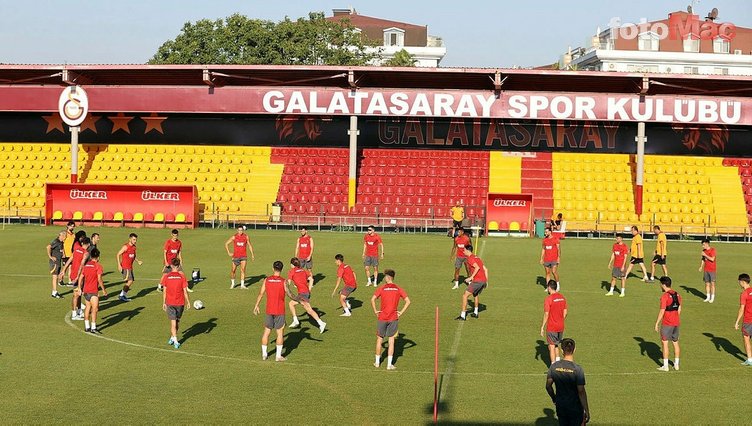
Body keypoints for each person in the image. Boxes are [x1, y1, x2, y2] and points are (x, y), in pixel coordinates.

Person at [371, 269, 411, 370]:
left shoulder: (382, 288)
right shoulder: (398, 289)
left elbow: (372, 299)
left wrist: (376, 310)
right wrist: (400, 312)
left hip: (382, 317)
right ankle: (389, 365)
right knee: (391, 341)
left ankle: (377, 362)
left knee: (379, 339)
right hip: (393, 317)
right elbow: (408, 301)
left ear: (388, 277)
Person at [253, 260, 293, 361]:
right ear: (282, 269)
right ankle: (278, 356)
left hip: (269, 310)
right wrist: (299, 300)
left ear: (273, 268)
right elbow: (290, 294)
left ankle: (264, 355)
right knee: (279, 333)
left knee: (266, 332)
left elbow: (261, 294)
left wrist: (256, 306)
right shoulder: (284, 281)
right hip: (279, 310)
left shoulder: (267, 280)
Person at [545, 338, 590, 426]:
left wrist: (554, 398)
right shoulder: (577, 369)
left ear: (562, 350)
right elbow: (581, 391)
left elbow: (548, 386)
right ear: (575, 349)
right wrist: (586, 410)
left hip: (561, 406)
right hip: (575, 408)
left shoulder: (554, 367)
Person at [287, 257, 326, 333]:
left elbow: (288, 283)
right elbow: (311, 279)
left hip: (302, 294)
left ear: (292, 264)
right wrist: (309, 289)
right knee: (292, 304)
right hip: (305, 292)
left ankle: (321, 323)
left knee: (309, 310)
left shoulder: (291, 271)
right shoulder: (303, 271)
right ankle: (295, 320)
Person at [161, 258, 190, 349]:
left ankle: (172, 337)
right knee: (174, 322)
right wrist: (188, 302)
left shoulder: (167, 277)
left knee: (175, 321)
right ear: (179, 266)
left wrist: (163, 302)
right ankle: (176, 341)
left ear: (171, 266)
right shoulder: (182, 277)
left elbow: (164, 291)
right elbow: (185, 291)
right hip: (180, 303)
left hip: (170, 302)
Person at [654, 276, 681, 371]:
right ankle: (676, 364)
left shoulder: (664, 296)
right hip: (676, 323)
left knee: (665, 343)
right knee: (675, 342)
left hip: (667, 323)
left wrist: (657, 323)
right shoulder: (677, 295)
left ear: (663, 285)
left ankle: (665, 366)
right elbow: (679, 309)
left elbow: (662, 311)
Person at [455, 245, 488, 320]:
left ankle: (463, 315)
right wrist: (486, 281)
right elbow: (486, 269)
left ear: (468, 250)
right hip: (482, 280)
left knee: (465, 296)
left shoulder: (470, 259)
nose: (463, 251)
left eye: (464, 250)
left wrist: (471, 277)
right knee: (475, 294)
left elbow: (477, 267)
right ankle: (475, 312)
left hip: (477, 281)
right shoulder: (477, 258)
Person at [61, 236, 90, 320]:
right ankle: (74, 314)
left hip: (73, 274)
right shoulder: (86, 253)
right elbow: (82, 265)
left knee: (79, 293)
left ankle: (79, 311)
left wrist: (64, 270)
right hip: (79, 275)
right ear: (88, 244)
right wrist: (78, 276)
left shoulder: (76, 250)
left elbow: (69, 260)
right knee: (76, 294)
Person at [79, 248, 107, 333]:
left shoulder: (86, 265)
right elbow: (99, 279)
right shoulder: (98, 266)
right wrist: (103, 290)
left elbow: (81, 277)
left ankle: (87, 326)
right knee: (95, 309)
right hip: (93, 291)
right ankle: (93, 327)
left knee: (88, 307)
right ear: (98, 257)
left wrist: (80, 288)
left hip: (86, 290)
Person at [541, 280, 568, 365]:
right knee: (556, 344)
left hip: (552, 326)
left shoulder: (549, 299)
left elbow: (546, 313)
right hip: (561, 326)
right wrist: (560, 319)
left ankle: (553, 367)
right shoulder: (562, 297)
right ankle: (558, 362)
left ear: (549, 287)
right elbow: (565, 312)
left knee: (551, 346)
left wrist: (542, 326)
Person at [116, 233, 143, 302]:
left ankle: (122, 295)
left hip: (130, 267)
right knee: (130, 281)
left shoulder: (134, 247)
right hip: (125, 267)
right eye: (134, 239)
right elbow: (118, 254)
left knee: (130, 281)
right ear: (130, 239)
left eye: (136, 240)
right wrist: (119, 265)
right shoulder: (125, 247)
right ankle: (122, 295)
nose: (135, 241)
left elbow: (133, 256)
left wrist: (138, 261)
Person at [734, 273, 752, 366]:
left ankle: (750, 360)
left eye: (739, 282)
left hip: (748, 320)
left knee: (746, 339)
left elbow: (741, 309)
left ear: (743, 282)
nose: (739, 283)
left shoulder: (744, 294)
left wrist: (737, 322)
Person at [46, 231, 66, 299]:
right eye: (65, 236)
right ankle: (54, 292)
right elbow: (48, 247)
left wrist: (63, 254)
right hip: (54, 262)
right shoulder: (56, 241)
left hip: (58, 261)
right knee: (55, 277)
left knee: (56, 277)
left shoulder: (61, 242)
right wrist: (50, 256)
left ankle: (54, 292)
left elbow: (61, 250)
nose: (65, 238)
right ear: (61, 236)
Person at [699, 238, 717, 303]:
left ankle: (712, 298)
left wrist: (705, 255)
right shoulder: (704, 251)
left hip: (712, 270)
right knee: (707, 284)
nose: (702, 246)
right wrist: (701, 266)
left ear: (707, 244)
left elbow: (712, 259)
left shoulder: (712, 250)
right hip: (706, 269)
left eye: (703, 245)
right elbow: (703, 259)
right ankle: (708, 297)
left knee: (712, 284)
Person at [60, 221, 76, 285]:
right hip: (65, 254)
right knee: (65, 268)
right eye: (71, 226)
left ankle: (70, 281)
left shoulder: (73, 235)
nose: (72, 227)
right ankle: (60, 280)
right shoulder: (65, 234)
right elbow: (61, 243)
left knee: (71, 267)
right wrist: (63, 252)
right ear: (68, 226)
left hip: (71, 254)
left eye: (73, 226)